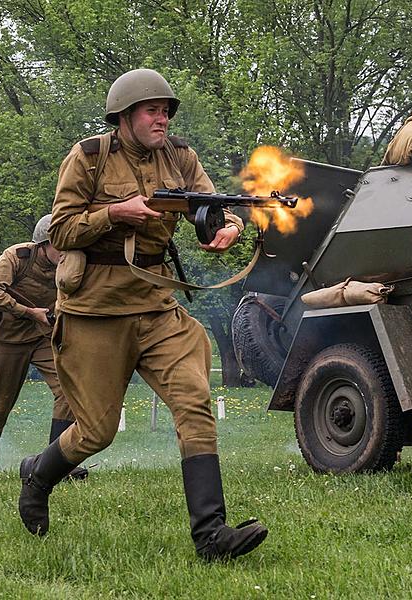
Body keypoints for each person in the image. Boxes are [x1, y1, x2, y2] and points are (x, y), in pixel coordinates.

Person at [16, 68, 268, 561]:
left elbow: (213, 205)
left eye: (167, 111)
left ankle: (210, 537)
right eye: (152, 110)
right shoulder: (88, 157)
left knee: (194, 404)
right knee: (96, 432)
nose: (163, 119)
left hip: (156, 308)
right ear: (124, 115)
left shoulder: (182, 157)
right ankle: (39, 475)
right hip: (94, 312)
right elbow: (60, 231)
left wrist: (229, 227)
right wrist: (115, 213)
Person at [0, 214, 86, 482]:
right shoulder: (17, 257)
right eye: (60, 245)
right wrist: (27, 311)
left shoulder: (73, 264)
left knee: (69, 390)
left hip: (43, 337)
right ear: (43, 243)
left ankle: (54, 466)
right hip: (6, 340)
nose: (66, 252)